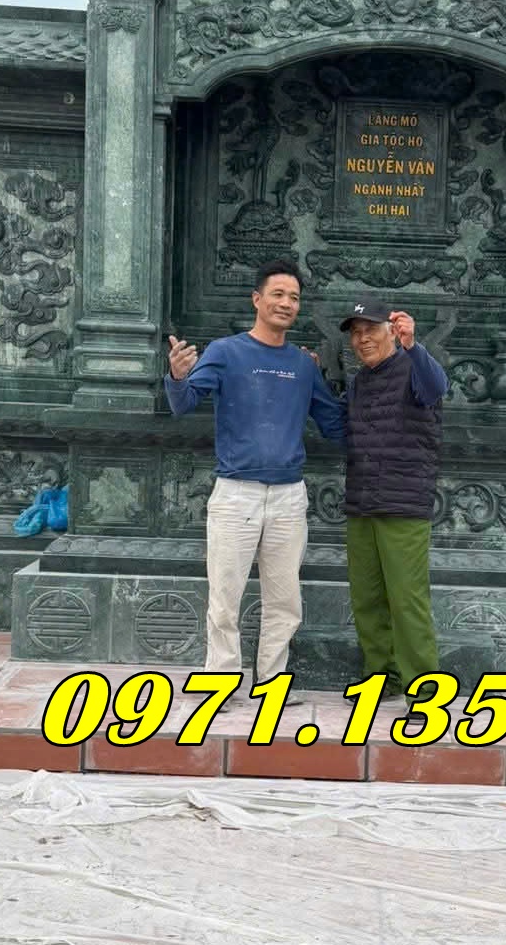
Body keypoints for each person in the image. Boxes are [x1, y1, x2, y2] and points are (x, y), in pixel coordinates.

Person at [165, 259, 346, 693]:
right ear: (257, 299)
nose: (286, 303)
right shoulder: (225, 352)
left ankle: (272, 683)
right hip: (236, 495)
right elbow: (183, 404)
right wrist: (177, 375)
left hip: (288, 498)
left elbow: (336, 426)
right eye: (278, 294)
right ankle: (220, 683)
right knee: (224, 599)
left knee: (285, 602)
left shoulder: (302, 365)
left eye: (294, 298)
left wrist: (364, 382)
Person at [338, 297, 448, 703]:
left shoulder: (415, 369)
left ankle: (423, 688)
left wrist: (413, 345)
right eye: (356, 333)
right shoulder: (359, 381)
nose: (362, 339)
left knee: (407, 600)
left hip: (403, 505)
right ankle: (380, 675)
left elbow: (437, 387)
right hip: (361, 502)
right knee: (367, 598)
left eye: (370, 329)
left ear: (391, 330)